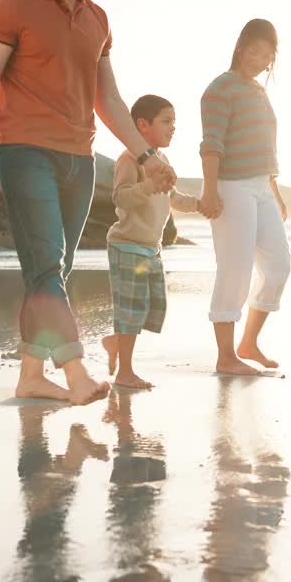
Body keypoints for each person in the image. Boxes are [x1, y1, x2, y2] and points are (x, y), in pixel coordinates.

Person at [0, 0, 176, 405]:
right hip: (24, 152)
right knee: (47, 265)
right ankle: (76, 373)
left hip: (78, 158)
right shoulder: (12, 4)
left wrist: (146, 156)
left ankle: (31, 376)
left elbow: (111, 100)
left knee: (52, 269)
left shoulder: (98, 19)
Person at [198, 19, 291, 375]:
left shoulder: (259, 91)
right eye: (255, 51)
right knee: (234, 269)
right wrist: (209, 190)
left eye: (267, 56)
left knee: (278, 266)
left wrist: (276, 194)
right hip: (231, 185)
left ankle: (248, 343)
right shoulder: (220, 89)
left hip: (262, 187)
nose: (260, 60)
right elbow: (212, 145)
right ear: (240, 47)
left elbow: (266, 150)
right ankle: (225, 357)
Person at [100, 95, 200, 389]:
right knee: (130, 311)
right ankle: (125, 373)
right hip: (127, 245)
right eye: (166, 121)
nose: (173, 128)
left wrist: (201, 204)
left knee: (148, 309)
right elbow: (120, 197)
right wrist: (148, 185)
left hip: (150, 249)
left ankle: (114, 342)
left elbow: (173, 197)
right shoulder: (129, 158)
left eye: (174, 122)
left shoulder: (163, 160)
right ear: (142, 125)